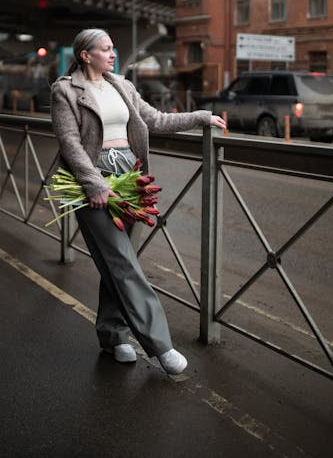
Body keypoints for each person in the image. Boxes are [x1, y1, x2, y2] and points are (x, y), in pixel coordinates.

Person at [50, 28, 226, 375]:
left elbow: (155, 120)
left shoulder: (122, 85)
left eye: (114, 48)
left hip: (131, 179)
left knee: (119, 262)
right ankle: (161, 345)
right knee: (123, 264)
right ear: (86, 55)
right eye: (106, 49)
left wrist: (201, 117)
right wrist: (93, 183)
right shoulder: (66, 90)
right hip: (95, 182)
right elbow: (69, 142)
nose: (113, 54)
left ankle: (113, 336)